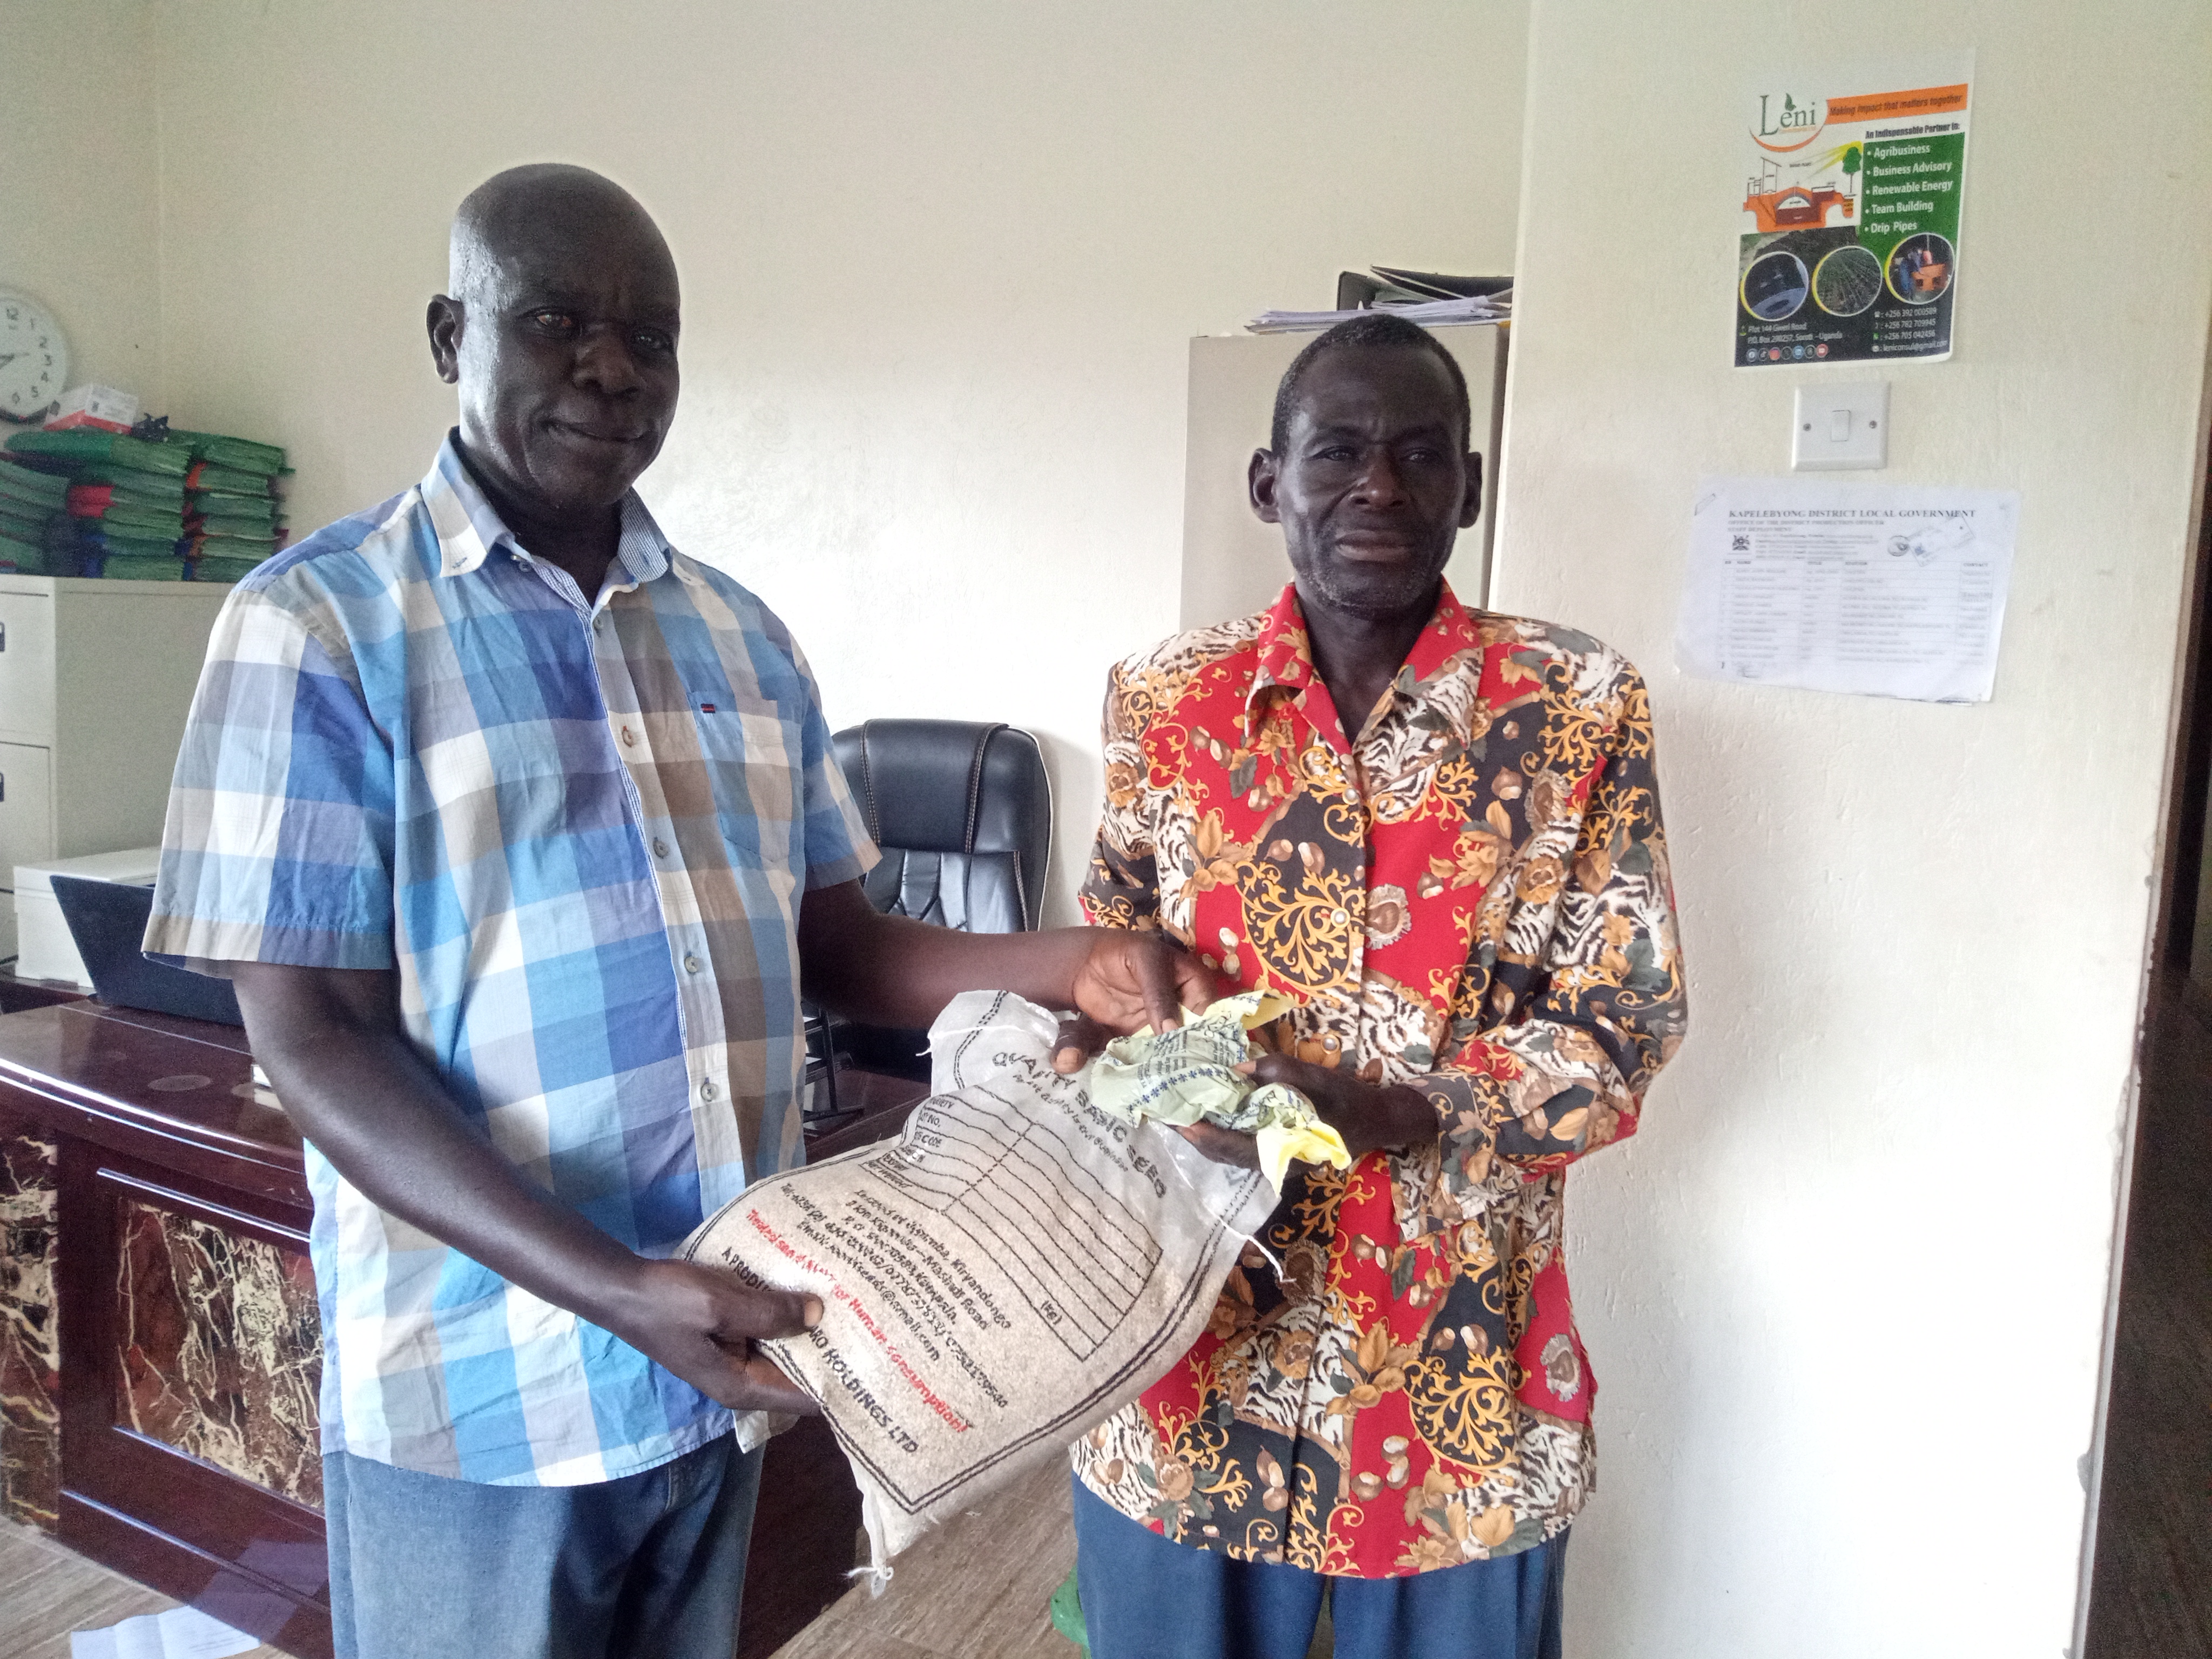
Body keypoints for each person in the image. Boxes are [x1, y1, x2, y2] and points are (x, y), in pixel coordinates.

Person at [144, 163, 1212, 1659]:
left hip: (724, 1361)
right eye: (558, 322)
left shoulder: (743, 637)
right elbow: (314, 1042)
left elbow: (839, 948)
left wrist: (1075, 964)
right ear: (454, 335)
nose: (611, 369)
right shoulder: (314, 626)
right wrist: (611, 1288)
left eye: (652, 338)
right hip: (488, 1392)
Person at [1057, 313, 1687, 1659]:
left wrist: (1401, 1113)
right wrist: (1116, 1057)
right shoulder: (1164, 699)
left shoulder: (1574, 707)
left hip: (1457, 1370)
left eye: (1417, 456)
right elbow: (1103, 968)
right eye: (1335, 452)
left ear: (1469, 483)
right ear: (1265, 482)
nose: (1377, 488)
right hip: (1188, 1362)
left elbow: (1620, 1023)